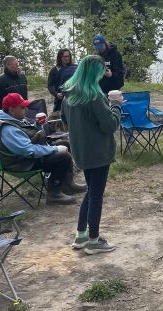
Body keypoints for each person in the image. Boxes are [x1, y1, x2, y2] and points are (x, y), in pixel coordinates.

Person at [61, 55, 123, 254]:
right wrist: (116, 105)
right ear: (93, 74)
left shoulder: (69, 95)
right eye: (99, 73)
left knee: (91, 191)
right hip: (98, 152)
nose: (101, 77)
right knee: (96, 195)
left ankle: (81, 235)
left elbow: (64, 121)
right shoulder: (94, 96)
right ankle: (94, 241)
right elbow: (110, 125)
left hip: (81, 151)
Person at [0, 93, 86, 205]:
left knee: (65, 144)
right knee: (63, 156)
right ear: (12, 110)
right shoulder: (9, 129)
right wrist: (55, 149)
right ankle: (54, 195)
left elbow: (27, 137)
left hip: (26, 156)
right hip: (21, 162)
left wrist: (37, 125)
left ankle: (67, 185)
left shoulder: (14, 118)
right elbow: (28, 150)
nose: (26, 109)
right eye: (22, 107)